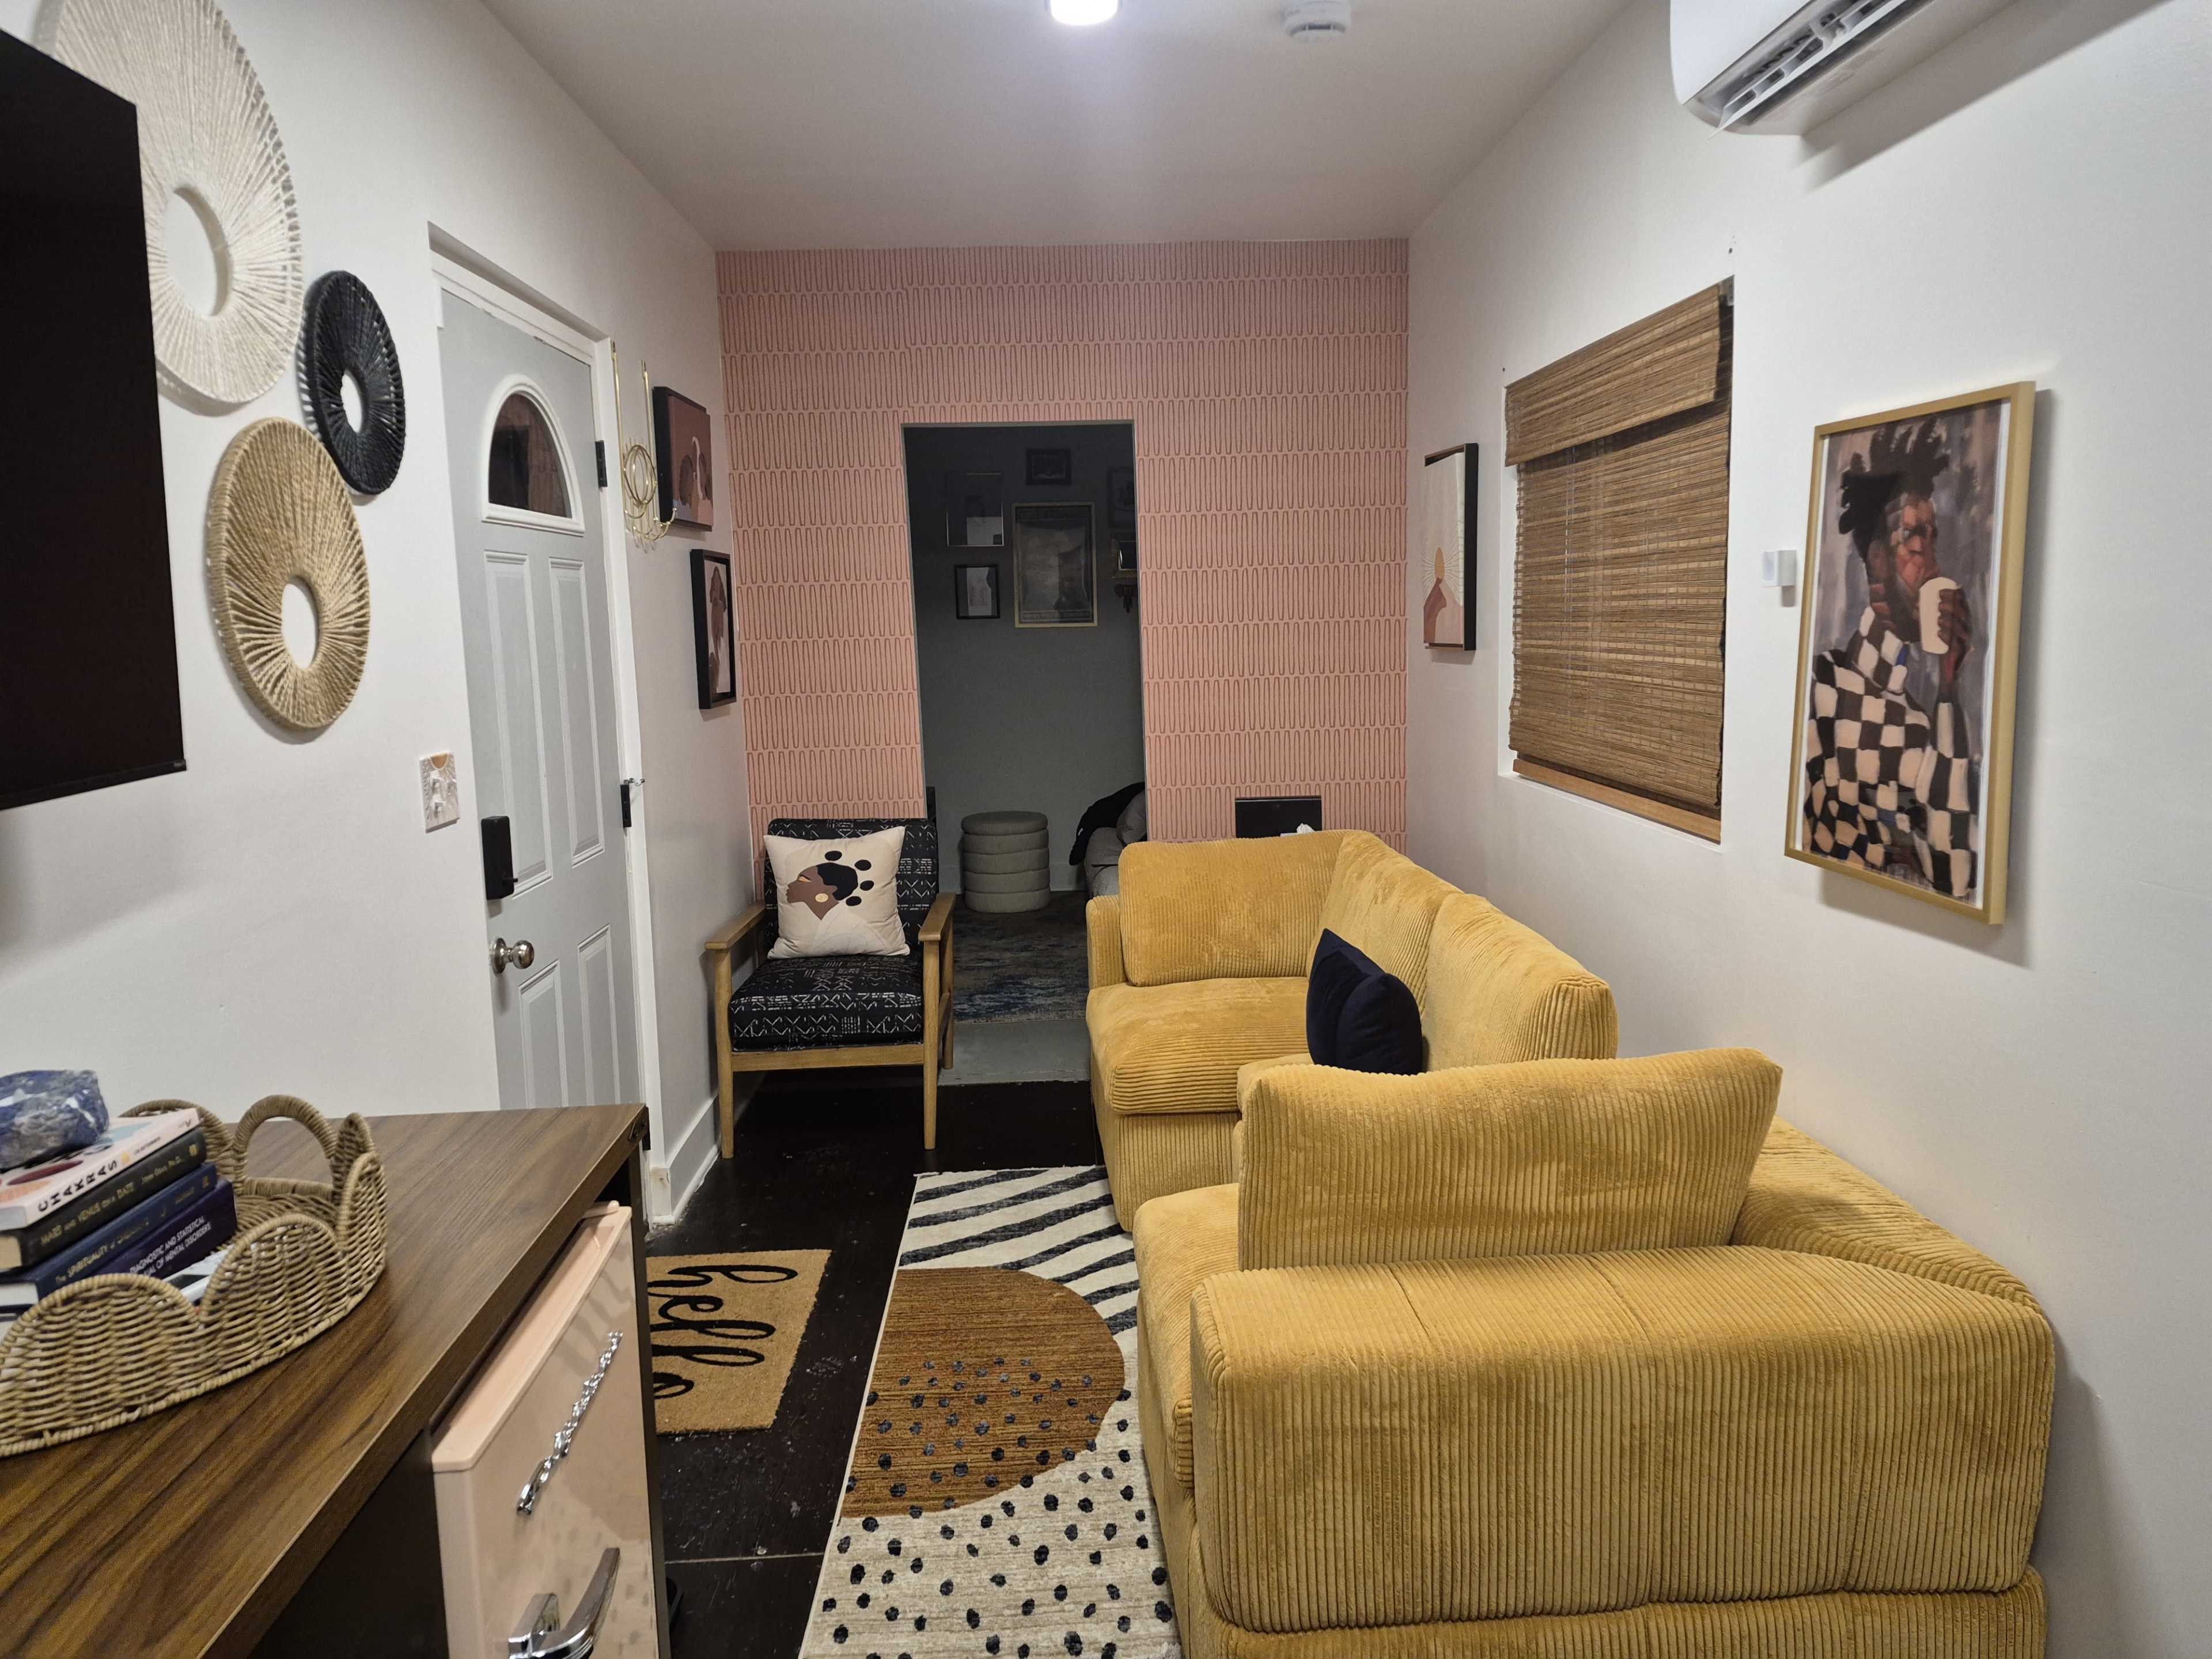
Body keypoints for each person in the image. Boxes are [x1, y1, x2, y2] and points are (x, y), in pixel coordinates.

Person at [1801, 420, 1979, 898]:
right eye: (1914, 542)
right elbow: (1822, 826)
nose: (1933, 566)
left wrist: (1948, 690)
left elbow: (1954, 878)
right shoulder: (1825, 683)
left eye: (1933, 541)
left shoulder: (1928, 721)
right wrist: (1898, 843)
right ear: (1876, 558)